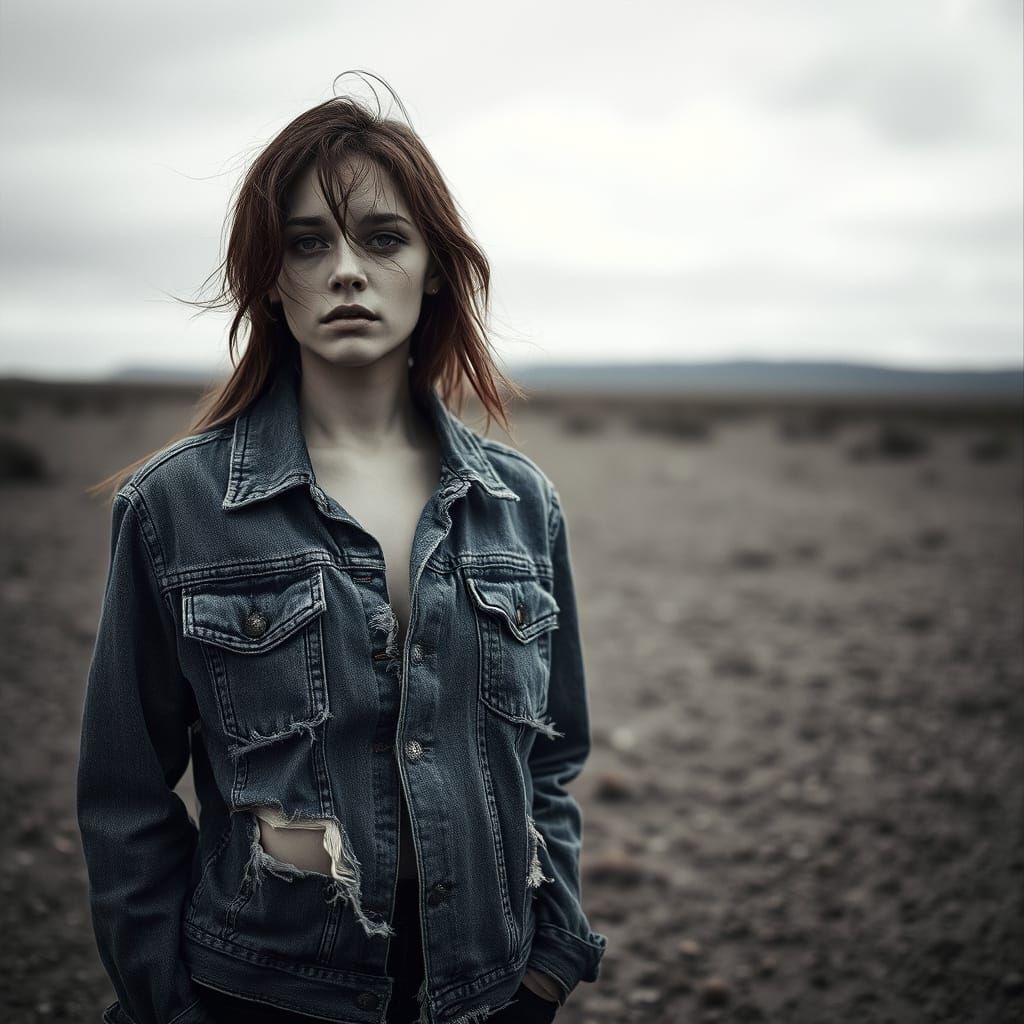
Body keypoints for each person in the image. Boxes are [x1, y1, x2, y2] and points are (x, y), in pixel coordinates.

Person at [77, 72, 607, 1024]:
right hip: (257, 994)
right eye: (308, 243)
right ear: (270, 279)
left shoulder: (522, 505)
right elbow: (123, 798)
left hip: (485, 993)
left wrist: (545, 967)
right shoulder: (176, 506)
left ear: (435, 267)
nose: (347, 271)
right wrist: (168, 1008)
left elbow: (555, 757)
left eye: (384, 238)